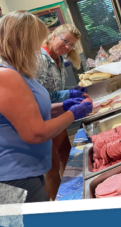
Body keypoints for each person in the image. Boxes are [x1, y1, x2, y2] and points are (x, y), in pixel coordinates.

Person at [0, 11, 94, 202]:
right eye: (35, 43)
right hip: (9, 176)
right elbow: (35, 133)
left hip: (21, 170)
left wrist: (62, 106)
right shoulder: (0, 73)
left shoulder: (1, 65)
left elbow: (26, 111)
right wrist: (73, 113)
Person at [35, 25, 88, 201]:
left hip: (56, 113)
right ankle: (57, 203)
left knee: (65, 151)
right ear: (54, 35)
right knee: (51, 164)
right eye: (65, 41)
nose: (67, 47)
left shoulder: (58, 58)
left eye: (71, 45)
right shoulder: (40, 59)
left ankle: (73, 192)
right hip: (41, 116)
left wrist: (72, 92)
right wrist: (68, 96)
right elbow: (38, 96)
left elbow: (56, 89)